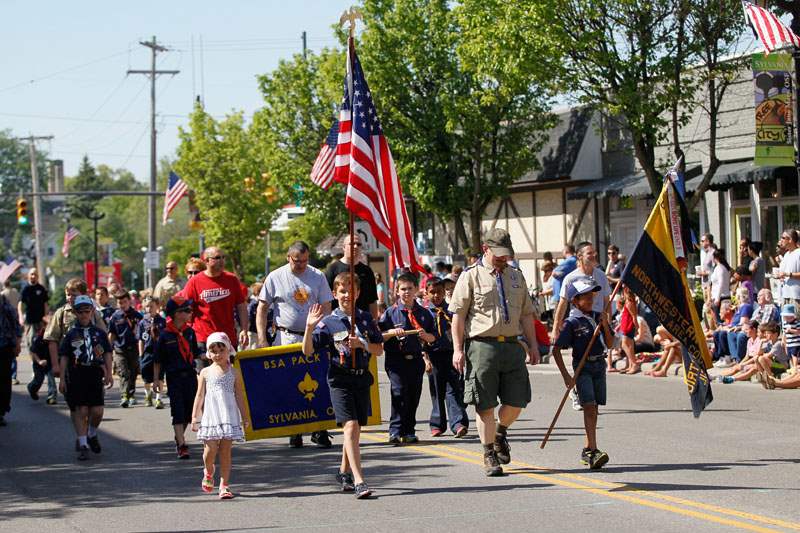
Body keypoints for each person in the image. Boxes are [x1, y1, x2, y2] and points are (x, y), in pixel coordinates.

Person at [449, 228, 539, 476]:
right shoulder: (470, 276)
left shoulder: (516, 276)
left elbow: (527, 314)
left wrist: (533, 344)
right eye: (498, 254)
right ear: (485, 249)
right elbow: (457, 317)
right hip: (481, 346)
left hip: (511, 345)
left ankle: (500, 432)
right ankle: (489, 453)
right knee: (484, 405)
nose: (503, 258)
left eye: (506, 254)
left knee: (517, 400)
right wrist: (458, 349)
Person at [302, 273, 384, 499]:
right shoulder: (328, 322)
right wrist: (309, 328)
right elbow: (308, 351)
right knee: (350, 426)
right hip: (340, 379)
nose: (347, 295)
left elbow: (379, 349)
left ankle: (343, 472)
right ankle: (360, 480)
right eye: (342, 291)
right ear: (335, 294)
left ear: (358, 293)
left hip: (361, 378)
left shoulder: (366, 318)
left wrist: (363, 344)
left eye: (351, 291)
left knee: (355, 430)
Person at [257, 240, 334, 448]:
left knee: (318, 381)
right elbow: (262, 308)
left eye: (305, 260)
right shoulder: (275, 276)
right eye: (297, 261)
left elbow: (327, 306)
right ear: (288, 257)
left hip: (314, 336)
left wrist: (327, 332)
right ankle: (295, 430)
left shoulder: (317, 276)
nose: (301, 265)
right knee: (290, 384)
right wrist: (262, 338)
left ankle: (320, 429)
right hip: (286, 337)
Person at [551, 276, 613, 470]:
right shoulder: (572, 323)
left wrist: (605, 324)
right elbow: (556, 350)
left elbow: (610, 344)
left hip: (599, 366)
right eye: (584, 297)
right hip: (583, 367)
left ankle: (588, 449)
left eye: (591, 295)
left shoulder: (597, 317)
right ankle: (593, 450)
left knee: (594, 409)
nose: (589, 300)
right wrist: (566, 377)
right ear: (575, 301)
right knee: (589, 406)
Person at [379, 273, 437, 444]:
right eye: (402, 289)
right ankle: (395, 430)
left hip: (416, 360)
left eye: (410, 289)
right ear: (397, 291)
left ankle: (409, 430)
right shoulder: (390, 314)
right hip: (396, 360)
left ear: (416, 290)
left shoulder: (424, 314)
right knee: (398, 393)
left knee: (413, 395)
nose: (406, 292)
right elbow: (379, 336)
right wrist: (390, 333)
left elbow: (434, 337)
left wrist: (426, 336)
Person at [191, 332, 247, 500]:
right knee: (210, 450)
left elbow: (239, 395)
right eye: (213, 351)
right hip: (211, 415)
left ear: (228, 350)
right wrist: (195, 417)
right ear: (209, 353)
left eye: (221, 350)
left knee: (225, 451)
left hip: (228, 415)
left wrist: (245, 417)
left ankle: (224, 484)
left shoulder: (234, 372)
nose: (217, 354)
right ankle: (208, 471)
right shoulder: (205, 372)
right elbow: (200, 395)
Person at [58, 295, 113, 460]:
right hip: (77, 373)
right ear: (75, 313)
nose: (84, 315)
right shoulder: (71, 334)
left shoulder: (99, 333)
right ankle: (83, 444)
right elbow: (64, 356)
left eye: (87, 311)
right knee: (81, 410)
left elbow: (107, 353)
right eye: (80, 312)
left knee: (97, 411)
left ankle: (92, 432)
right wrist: (61, 378)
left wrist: (109, 372)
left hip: (95, 373)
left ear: (92, 312)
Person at [154, 295, 201, 459]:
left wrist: (212, 354)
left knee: (190, 412)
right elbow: (158, 360)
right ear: (176, 313)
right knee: (178, 411)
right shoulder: (165, 335)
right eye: (187, 310)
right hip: (174, 378)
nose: (190, 313)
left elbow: (196, 353)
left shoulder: (189, 332)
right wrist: (157, 380)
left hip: (190, 376)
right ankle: (182, 444)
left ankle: (179, 435)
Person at [180, 247, 249, 357]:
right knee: (204, 373)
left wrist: (244, 329)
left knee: (228, 374)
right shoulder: (194, 282)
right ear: (206, 261)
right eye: (217, 258)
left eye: (223, 257)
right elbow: (183, 308)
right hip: (203, 338)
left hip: (227, 338)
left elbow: (241, 306)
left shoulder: (232, 279)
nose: (221, 261)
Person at [424, 279, 468, 438]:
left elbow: (460, 332)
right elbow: (421, 340)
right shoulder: (424, 314)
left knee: (454, 390)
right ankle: (437, 424)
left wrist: (461, 353)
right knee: (436, 391)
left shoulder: (451, 312)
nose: (436, 295)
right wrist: (425, 359)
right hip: (433, 356)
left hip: (451, 355)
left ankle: (458, 424)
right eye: (432, 292)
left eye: (439, 292)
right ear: (426, 293)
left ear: (445, 292)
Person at [45, 278, 107, 380]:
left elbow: (103, 337)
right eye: (68, 294)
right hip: (70, 362)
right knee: (72, 393)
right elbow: (52, 339)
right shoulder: (61, 313)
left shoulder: (92, 312)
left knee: (94, 393)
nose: (70, 298)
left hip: (92, 362)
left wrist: (103, 363)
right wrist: (56, 365)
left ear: (84, 295)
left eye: (74, 295)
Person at [325, 235, 379, 318]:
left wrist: (374, 322)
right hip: (339, 321)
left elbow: (372, 301)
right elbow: (326, 300)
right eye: (352, 243)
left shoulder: (367, 271)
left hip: (363, 321)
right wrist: (330, 322)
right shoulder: (332, 269)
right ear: (343, 247)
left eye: (358, 244)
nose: (355, 246)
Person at [107, 291, 143, 408]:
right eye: (120, 302)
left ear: (130, 301)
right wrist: (108, 349)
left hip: (133, 348)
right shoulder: (115, 317)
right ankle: (124, 396)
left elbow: (142, 333)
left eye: (125, 302)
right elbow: (112, 334)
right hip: (119, 349)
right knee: (123, 372)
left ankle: (131, 395)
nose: (122, 305)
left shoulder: (137, 316)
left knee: (133, 372)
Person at [137, 296, 166, 408]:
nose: (149, 309)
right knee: (146, 377)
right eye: (147, 306)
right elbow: (140, 340)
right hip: (147, 353)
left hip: (159, 352)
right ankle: (148, 395)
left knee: (159, 376)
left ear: (157, 307)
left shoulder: (163, 322)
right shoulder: (142, 323)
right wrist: (141, 355)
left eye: (151, 306)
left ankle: (159, 399)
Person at [0, 291, 22, 426]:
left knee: (3, 380)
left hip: (4, 348)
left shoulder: (6, 307)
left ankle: (1, 411)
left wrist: (18, 344)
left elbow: (16, 327)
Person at [18, 268, 49, 353]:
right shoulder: (25, 289)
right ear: (28, 276)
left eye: (35, 274)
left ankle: (39, 361)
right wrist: (20, 316)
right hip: (29, 321)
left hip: (40, 320)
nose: (33, 276)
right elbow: (20, 304)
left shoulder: (42, 289)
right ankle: (34, 360)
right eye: (31, 274)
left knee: (41, 341)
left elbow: (45, 304)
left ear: (37, 276)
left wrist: (46, 317)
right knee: (30, 341)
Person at [26, 324, 56, 404]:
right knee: (38, 380)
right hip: (38, 364)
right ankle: (31, 388)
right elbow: (33, 352)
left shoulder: (54, 340)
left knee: (51, 379)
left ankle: (51, 396)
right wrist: (39, 361)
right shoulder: (39, 339)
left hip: (49, 363)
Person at [777, 229, 800, 307]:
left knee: (796, 319)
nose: (781, 240)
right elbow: (783, 272)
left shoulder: (799, 253)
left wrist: (788, 274)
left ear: (790, 239)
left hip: (796, 296)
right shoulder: (786, 254)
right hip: (785, 294)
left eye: (783, 238)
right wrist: (780, 276)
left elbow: (788, 273)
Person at [550, 244, 577, 308]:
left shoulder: (570, 261)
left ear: (566, 251)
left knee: (559, 316)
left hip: (562, 295)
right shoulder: (574, 260)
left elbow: (554, 273)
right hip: (567, 295)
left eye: (563, 250)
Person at [710, 249, 732, 318]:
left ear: (715, 258)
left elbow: (721, 284)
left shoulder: (719, 268)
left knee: (719, 319)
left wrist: (717, 299)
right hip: (723, 296)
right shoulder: (725, 267)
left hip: (721, 297)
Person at [698, 233, 716, 301]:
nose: (701, 243)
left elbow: (715, 270)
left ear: (707, 241)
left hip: (710, 286)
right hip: (705, 285)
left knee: (709, 308)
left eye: (702, 241)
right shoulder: (706, 253)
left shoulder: (713, 253)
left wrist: (704, 273)